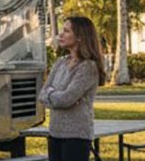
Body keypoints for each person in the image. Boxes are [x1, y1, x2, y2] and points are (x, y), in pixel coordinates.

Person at [39, 16, 106, 161]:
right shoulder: (60, 62)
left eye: (66, 31)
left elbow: (66, 99)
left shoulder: (88, 67)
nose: (60, 34)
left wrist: (52, 94)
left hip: (76, 136)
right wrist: (54, 95)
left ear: (80, 37)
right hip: (55, 133)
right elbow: (42, 94)